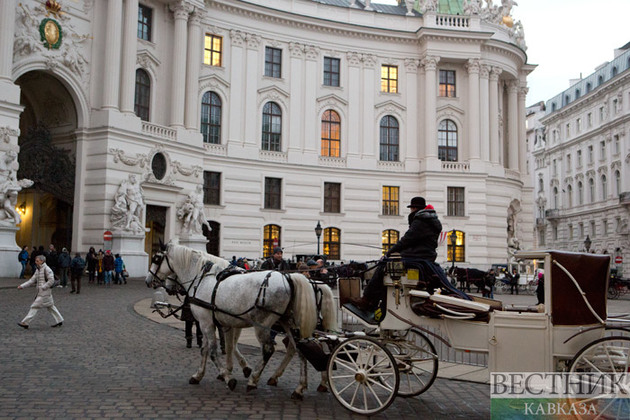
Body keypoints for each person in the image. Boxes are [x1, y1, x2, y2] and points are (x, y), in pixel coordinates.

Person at [350, 196, 443, 311]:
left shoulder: (421, 221)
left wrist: (388, 253)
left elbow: (406, 240)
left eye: (411, 208)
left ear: (414, 208)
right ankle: (375, 302)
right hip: (425, 256)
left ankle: (367, 299)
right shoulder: (431, 221)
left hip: (418, 256)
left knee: (383, 265)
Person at [17, 255, 64, 329]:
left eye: (37, 261)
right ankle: (59, 320)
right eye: (36, 261)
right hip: (43, 292)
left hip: (44, 293)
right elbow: (32, 280)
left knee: (34, 307)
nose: (36, 262)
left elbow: (51, 280)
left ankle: (25, 322)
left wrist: (43, 287)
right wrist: (22, 286)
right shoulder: (38, 269)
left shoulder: (47, 269)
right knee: (50, 306)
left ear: (42, 261)